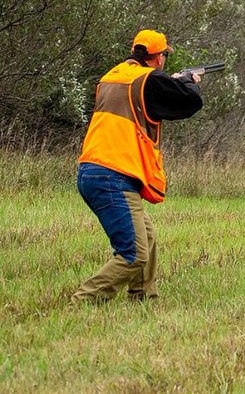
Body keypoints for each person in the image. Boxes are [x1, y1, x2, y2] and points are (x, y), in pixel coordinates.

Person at [72, 29, 203, 303]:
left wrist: (173, 81)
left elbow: (150, 95)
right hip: (112, 175)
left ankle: (143, 298)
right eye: (165, 55)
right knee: (134, 253)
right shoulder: (150, 79)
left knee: (147, 235)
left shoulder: (112, 76)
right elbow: (190, 102)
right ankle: (83, 301)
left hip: (94, 170)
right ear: (158, 58)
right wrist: (190, 82)